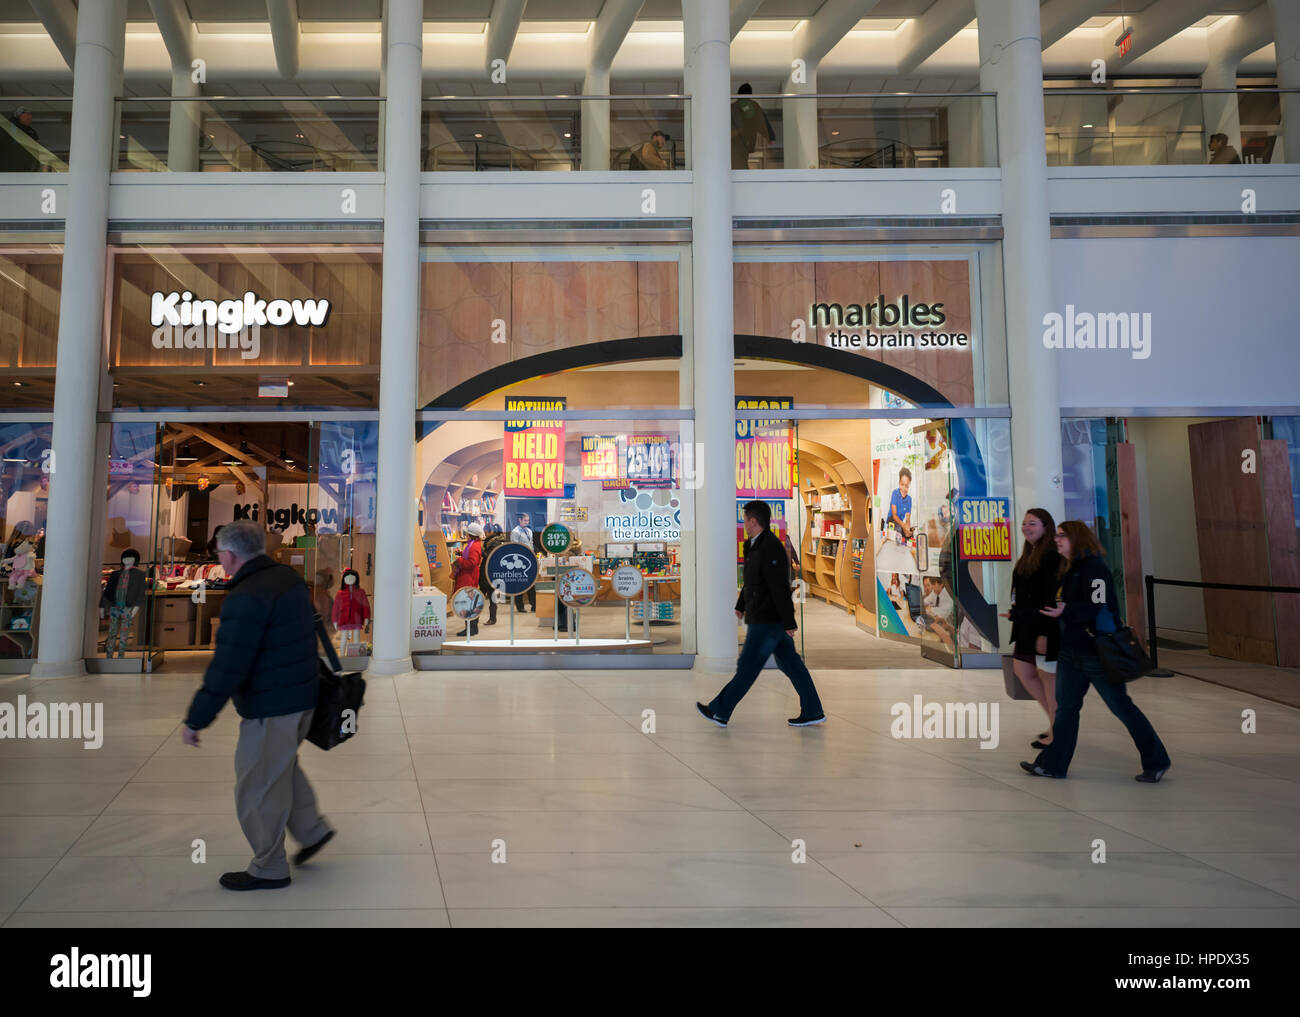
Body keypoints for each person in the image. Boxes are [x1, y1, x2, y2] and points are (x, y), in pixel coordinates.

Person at [180, 520, 334, 891]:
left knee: (256, 786)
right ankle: (311, 830)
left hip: (272, 704)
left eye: (219, 554)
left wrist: (196, 719)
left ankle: (269, 868)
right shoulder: (287, 578)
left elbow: (229, 664)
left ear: (230, 555)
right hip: (303, 695)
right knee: (279, 767)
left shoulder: (246, 595)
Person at [1021, 520, 1171, 783]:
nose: (1057, 539)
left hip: (1097, 653)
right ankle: (1053, 765)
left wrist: (1065, 611)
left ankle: (1157, 761)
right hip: (1072, 651)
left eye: (1063, 536)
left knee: (1122, 708)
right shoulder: (1070, 569)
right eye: (1056, 535)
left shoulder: (1095, 569)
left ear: (1078, 539)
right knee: (1066, 708)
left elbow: (1095, 605)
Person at [698, 499, 825, 728]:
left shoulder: (771, 547)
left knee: (748, 666)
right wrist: (741, 604)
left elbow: (779, 586)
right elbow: (751, 581)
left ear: (753, 521)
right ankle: (814, 710)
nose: (744, 523)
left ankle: (720, 710)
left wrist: (789, 621)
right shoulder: (752, 545)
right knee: (791, 664)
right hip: (763, 617)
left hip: (768, 620)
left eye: (745, 519)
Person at [1002, 508, 1062, 748]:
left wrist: (1045, 633)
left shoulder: (1051, 556)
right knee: (1023, 670)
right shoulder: (1031, 553)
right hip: (1026, 623)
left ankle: (1057, 730)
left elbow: (1050, 596)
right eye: (1025, 524)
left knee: (1048, 680)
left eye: (1033, 524)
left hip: (1041, 626)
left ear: (1046, 527)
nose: (1026, 527)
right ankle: (1056, 723)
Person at [100, 548, 146, 658]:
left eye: (130, 557)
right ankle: (109, 655)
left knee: (124, 633)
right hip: (114, 606)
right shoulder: (115, 574)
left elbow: (140, 592)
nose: (127, 560)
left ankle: (121, 655)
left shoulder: (139, 575)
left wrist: (136, 607)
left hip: (128, 607)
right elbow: (108, 591)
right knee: (112, 632)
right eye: (125, 557)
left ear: (135, 560)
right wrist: (102, 606)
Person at [730, 83, 774, 170]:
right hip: (748, 138)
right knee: (742, 157)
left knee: (737, 157)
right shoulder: (754, 105)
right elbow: (762, 121)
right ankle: (744, 173)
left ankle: (741, 173)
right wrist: (770, 136)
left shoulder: (732, 107)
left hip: (735, 137)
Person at [453, 521, 485, 636]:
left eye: (467, 533)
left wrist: (460, 560)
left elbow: (472, 562)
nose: (466, 535)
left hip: (468, 578)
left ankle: (470, 629)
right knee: (470, 602)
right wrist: (462, 554)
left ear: (471, 535)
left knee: (468, 602)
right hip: (468, 576)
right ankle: (472, 628)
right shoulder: (473, 544)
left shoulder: (474, 546)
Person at [479, 524, 508, 626]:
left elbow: (491, 557)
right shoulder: (490, 541)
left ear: (492, 532)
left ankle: (492, 618)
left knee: (491, 597)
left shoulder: (496, 543)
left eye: (486, 531)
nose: (485, 533)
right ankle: (476, 619)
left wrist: (481, 551)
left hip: (491, 573)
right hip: (487, 572)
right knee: (486, 596)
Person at [509, 512, 536, 614]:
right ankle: (520, 607)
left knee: (531, 583)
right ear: (519, 520)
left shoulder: (529, 531)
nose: (527, 522)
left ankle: (534, 605)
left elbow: (531, 544)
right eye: (525, 520)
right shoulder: (515, 532)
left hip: (530, 559)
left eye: (528, 520)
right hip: (519, 562)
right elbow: (514, 547)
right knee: (519, 584)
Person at [887, 467, 914, 539]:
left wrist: (907, 528)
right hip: (892, 520)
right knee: (898, 531)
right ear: (899, 483)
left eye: (907, 486)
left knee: (909, 535)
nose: (904, 489)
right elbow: (894, 515)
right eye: (902, 484)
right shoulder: (895, 493)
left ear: (909, 486)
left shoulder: (909, 500)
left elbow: (908, 518)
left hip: (900, 523)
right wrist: (904, 526)